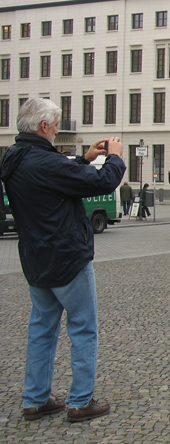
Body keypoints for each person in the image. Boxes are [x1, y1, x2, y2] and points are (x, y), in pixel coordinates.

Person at [0, 98, 125, 422]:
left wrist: (84, 158)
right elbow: (102, 182)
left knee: (41, 329)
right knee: (83, 328)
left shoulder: (14, 158)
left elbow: (58, 177)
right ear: (43, 127)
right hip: (67, 257)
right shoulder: (44, 162)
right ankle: (81, 401)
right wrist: (114, 157)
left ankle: (35, 398)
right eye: (55, 125)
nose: (57, 130)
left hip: (35, 258)